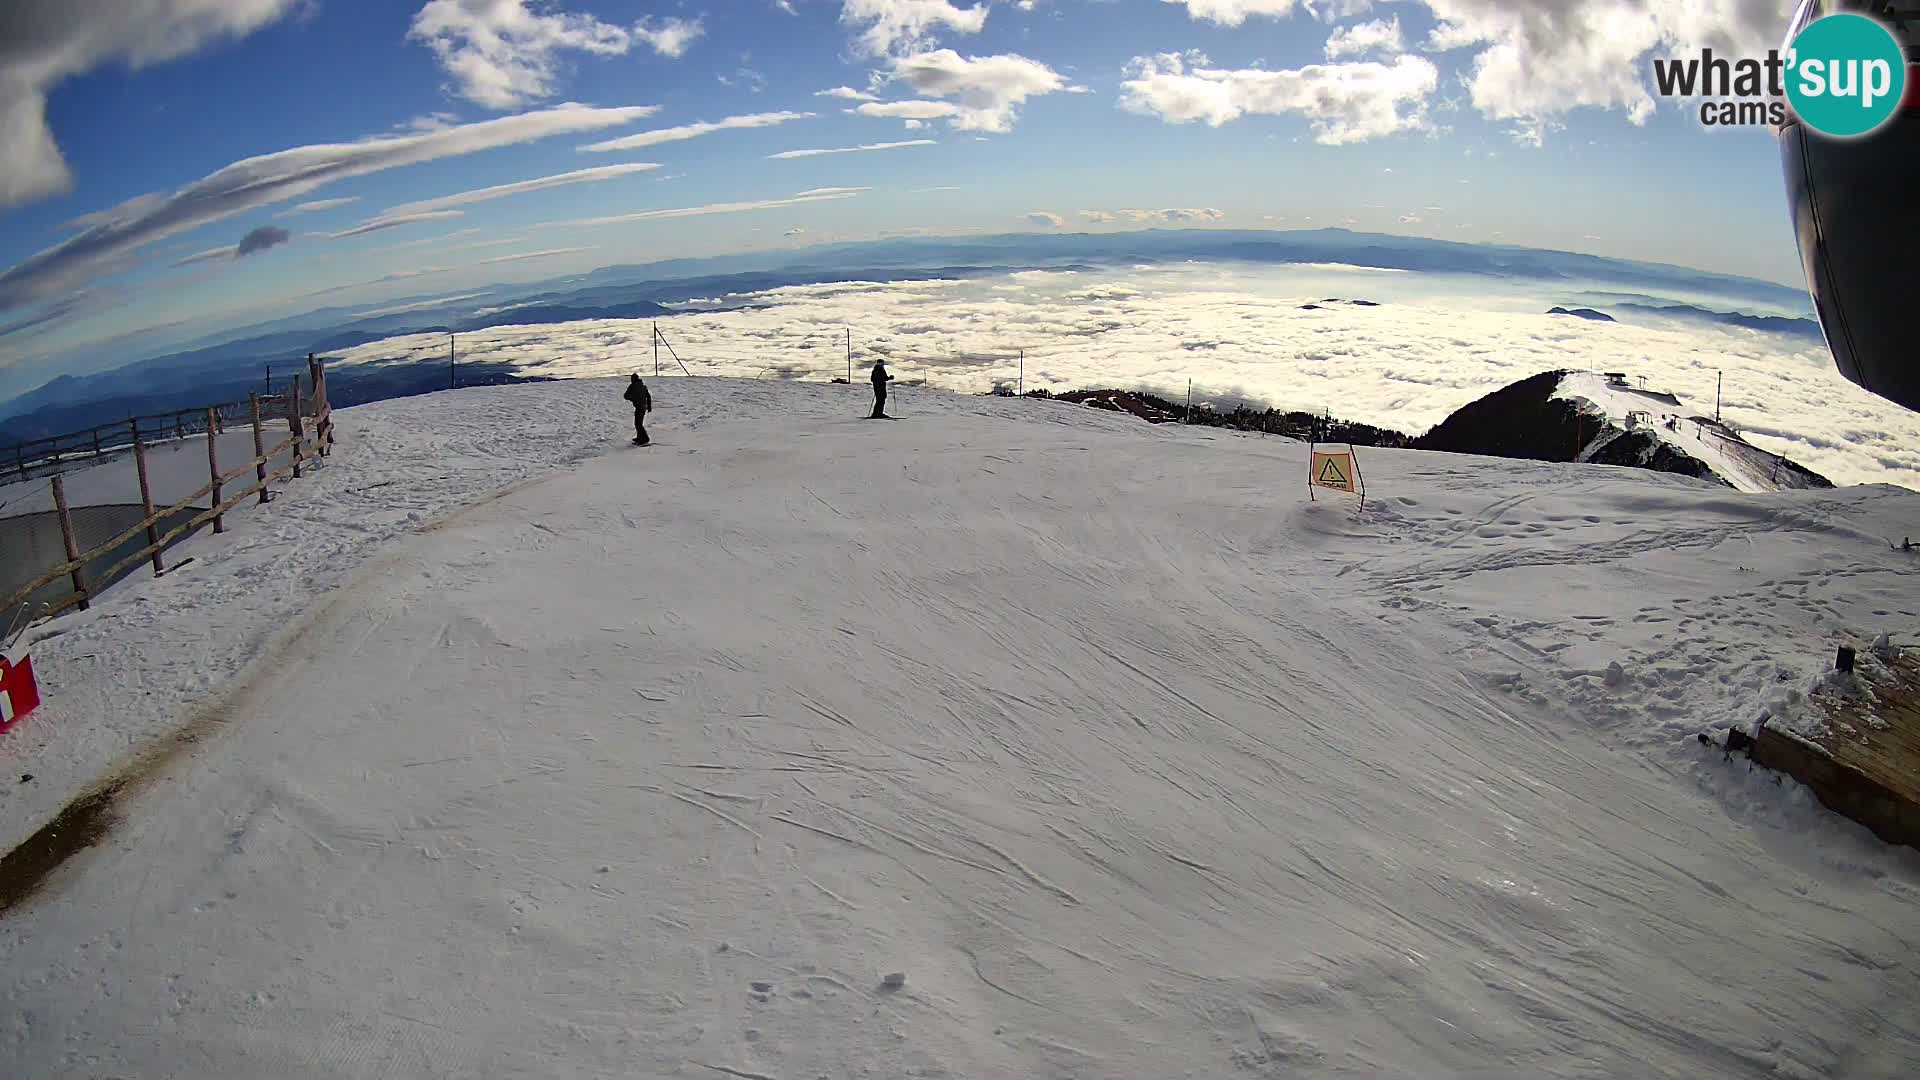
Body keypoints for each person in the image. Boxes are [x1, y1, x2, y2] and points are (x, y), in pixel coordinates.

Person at [624, 373, 652, 445]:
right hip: (644, 406)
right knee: (639, 423)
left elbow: (626, 396)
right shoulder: (643, 386)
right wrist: (649, 407)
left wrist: (633, 399)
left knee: (638, 424)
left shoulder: (632, 386)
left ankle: (645, 439)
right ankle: (640, 438)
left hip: (639, 407)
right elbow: (648, 396)